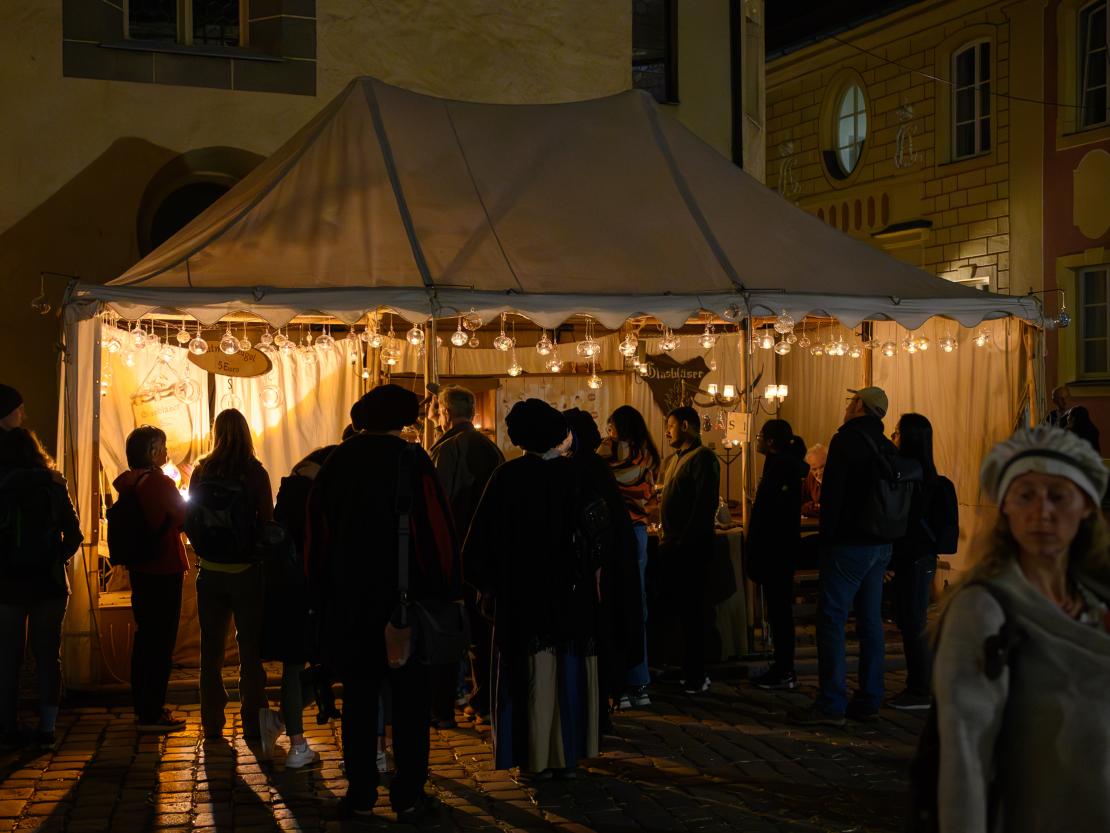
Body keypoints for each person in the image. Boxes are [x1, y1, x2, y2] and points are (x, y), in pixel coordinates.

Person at [933, 426, 1110, 833]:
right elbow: (965, 755)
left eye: (1057, 495)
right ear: (1006, 509)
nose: (1041, 511)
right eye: (1025, 495)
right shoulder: (984, 610)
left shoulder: (1096, 600)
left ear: (1085, 506)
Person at [309, 385, 459, 821]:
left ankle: (359, 792)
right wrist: (446, 589)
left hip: (350, 600)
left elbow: (316, 535)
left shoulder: (337, 461)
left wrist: (319, 594)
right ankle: (408, 793)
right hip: (404, 603)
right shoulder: (412, 461)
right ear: (405, 420)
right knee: (411, 704)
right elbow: (436, 533)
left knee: (358, 698)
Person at [464, 399, 605, 778]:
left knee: (530, 677)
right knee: (568, 674)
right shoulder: (577, 476)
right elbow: (598, 539)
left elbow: (477, 547)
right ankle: (569, 753)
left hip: (522, 598)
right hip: (570, 596)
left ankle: (533, 758)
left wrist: (490, 587)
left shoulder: (506, 478)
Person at [802, 387, 896, 725]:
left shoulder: (846, 441)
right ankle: (870, 697)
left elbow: (834, 494)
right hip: (880, 545)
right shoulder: (885, 444)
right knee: (870, 622)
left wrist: (827, 540)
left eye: (851, 401)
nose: (847, 406)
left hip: (848, 544)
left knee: (831, 620)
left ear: (859, 406)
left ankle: (831, 702)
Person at [257, 441, 341, 769]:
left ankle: (285, 729)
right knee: (327, 661)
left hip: (286, 588)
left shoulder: (292, 489)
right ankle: (294, 741)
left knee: (296, 666)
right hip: (314, 587)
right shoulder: (320, 494)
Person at [190, 408, 272, 741]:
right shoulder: (254, 473)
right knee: (250, 649)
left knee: (211, 651)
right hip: (247, 572)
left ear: (216, 432)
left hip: (209, 573)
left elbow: (190, 517)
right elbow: (267, 521)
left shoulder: (202, 470)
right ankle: (253, 719)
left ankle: (212, 722)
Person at [0, 429, 81, 750]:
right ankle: (47, 728)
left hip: (7, 584)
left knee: (8, 659)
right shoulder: (54, 485)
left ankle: (8, 727)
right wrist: (54, 559)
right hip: (49, 584)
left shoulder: (1, 487)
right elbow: (74, 536)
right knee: (49, 655)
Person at [428, 385, 504, 726]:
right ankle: (486, 697)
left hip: (458, 552)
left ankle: (467, 701)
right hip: (490, 550)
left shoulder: (449, 449)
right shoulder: (490, 447)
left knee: (463, 631)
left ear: (445, 412)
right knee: (486, 629)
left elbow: (438, 503)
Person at [563, 407, 642, 722]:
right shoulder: (594, 467)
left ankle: (597, 706)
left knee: (598, 634)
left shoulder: (581, 470)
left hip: (595, 572)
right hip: (605, 567)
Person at [114, 425, 189, 733]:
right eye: (161, 446)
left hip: (141, 568)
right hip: (163, 568)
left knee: (146, 638)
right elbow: (183, 517)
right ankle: (153, 711)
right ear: (151, 452)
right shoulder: (158, 483)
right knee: (161, 641)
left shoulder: (130, 483)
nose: (166, 450)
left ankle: (142, 706)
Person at [598, 405, 658, 708]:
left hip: (613, 532)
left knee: (614, 604)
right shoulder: (648, 454)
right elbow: (649, 495)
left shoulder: (607, 450)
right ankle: (640, 681)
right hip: (638, 532)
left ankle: (618, 683)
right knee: (638, 604)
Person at [658, 405, 721, 695]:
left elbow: (702, 506)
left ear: (685, 425)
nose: (667, 431)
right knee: (678, 612)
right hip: (672, 546)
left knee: (694, 614)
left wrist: (684, 540)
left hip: (690, 550)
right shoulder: (673, 459)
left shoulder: (704, 459)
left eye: (670, 425)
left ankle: (697, 673)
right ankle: (680, 666)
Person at [747, 419, 808, 691]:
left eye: (760, 435)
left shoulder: (782, 468)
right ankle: (782, 665)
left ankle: (785, 668)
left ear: (770, 442)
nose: (757, 439)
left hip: (777, 550)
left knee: (780, 611)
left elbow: (772, 512)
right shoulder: (780, 465)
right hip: (777, 548)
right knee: (778, 611)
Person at [888, 413, 941, 710]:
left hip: (915, 555)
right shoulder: (923, 471)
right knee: (911, 621)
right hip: (919, 554)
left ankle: (920, 689)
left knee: (914, 623)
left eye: (897, 433)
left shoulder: (913, 471)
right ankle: (919, 685)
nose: (894, 437)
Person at [801, 443, 826, 518]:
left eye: (822, 467)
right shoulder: (810, 476)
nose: (819, 473)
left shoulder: (839, 477)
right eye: (814, 469)